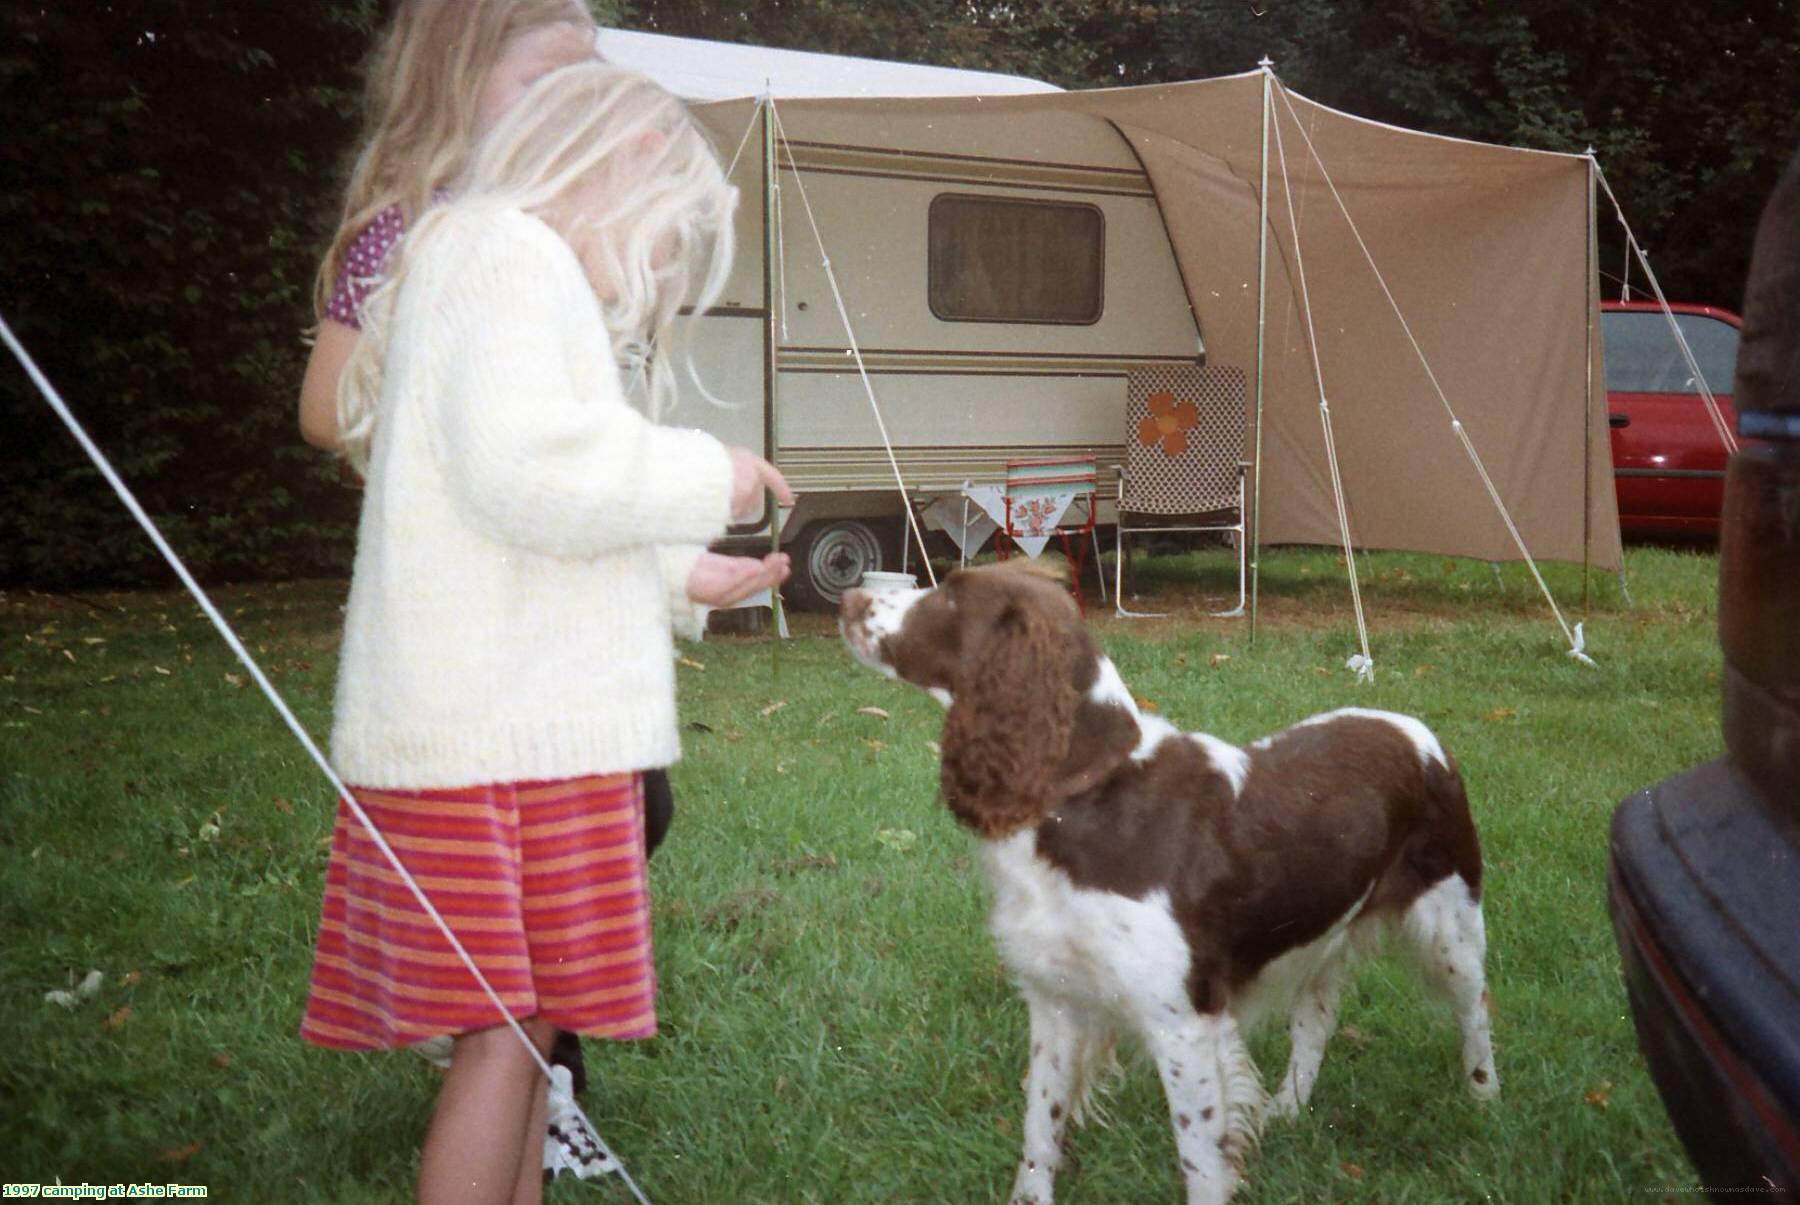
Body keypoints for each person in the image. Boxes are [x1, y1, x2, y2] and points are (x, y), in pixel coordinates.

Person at [298, 62, 791, 1205]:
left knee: (520, 1035)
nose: (659, 268)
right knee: (501, 1035)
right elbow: (527, 468)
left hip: (519, 734)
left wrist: (678, 568)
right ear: (611, 175)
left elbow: (520, 503)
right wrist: (706, 475)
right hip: (489, 743)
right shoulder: (504, 257)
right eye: (665, 238)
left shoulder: (498, 262)